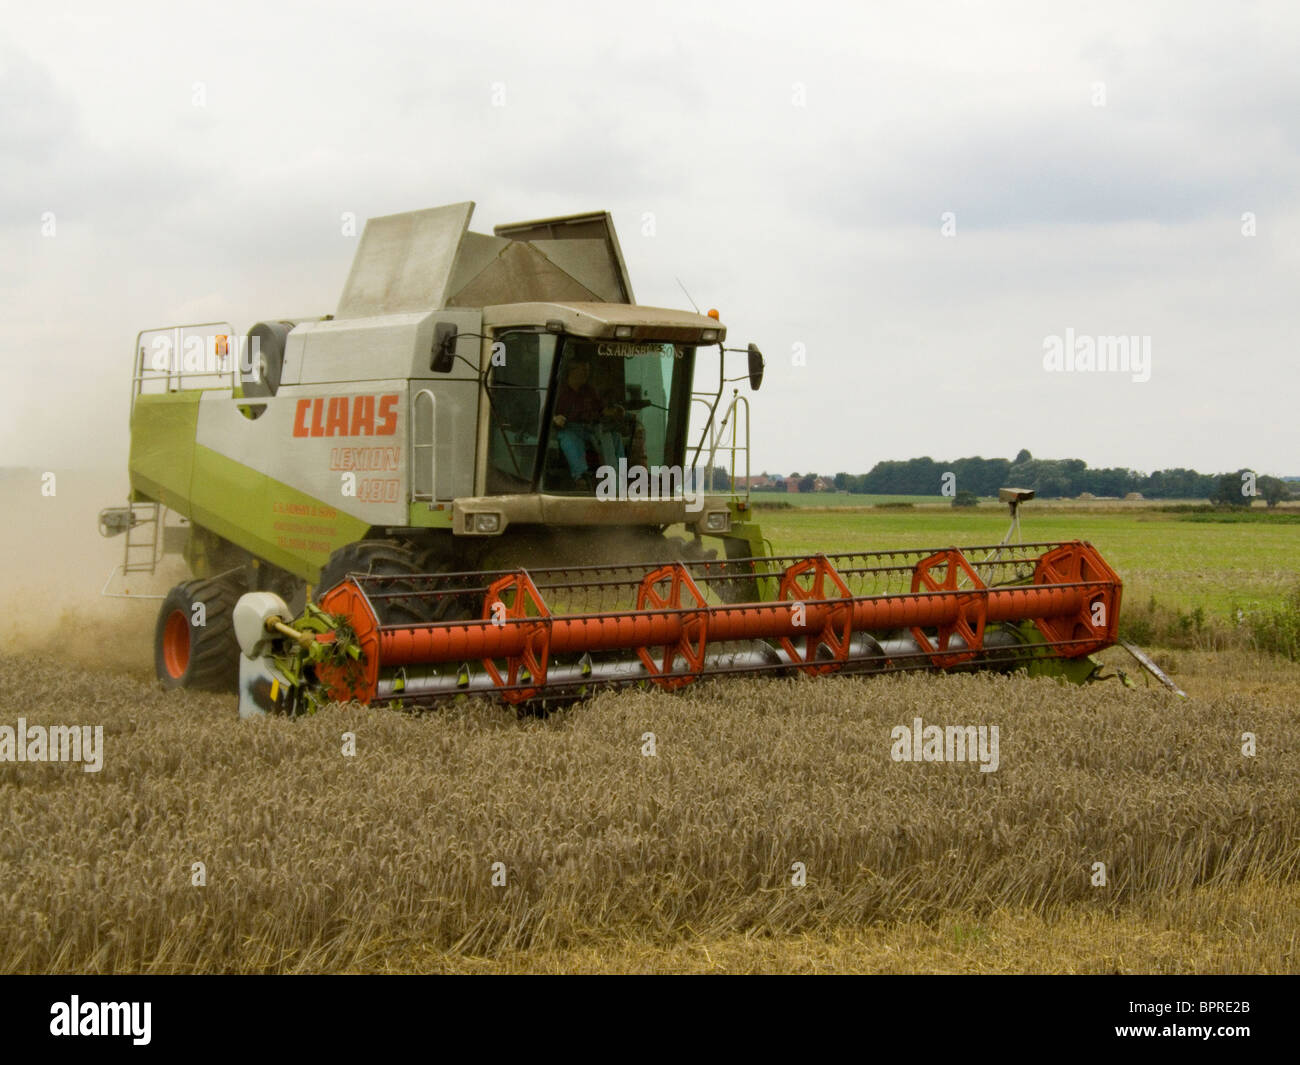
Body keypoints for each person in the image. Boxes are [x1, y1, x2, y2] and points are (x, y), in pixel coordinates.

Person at [552, 357, 625, 488]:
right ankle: (581, 477)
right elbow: (546, 414)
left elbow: (601, 410)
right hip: (569, 427)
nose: (587, 374)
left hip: (592, 427)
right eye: (583, 370)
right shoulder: (559, 391)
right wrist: (555, 418)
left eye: (587, 370)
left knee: (615, 436)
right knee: (569, 438)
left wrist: (614, 411)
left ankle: (620, 475)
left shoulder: (589, 390)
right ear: (572, 371)